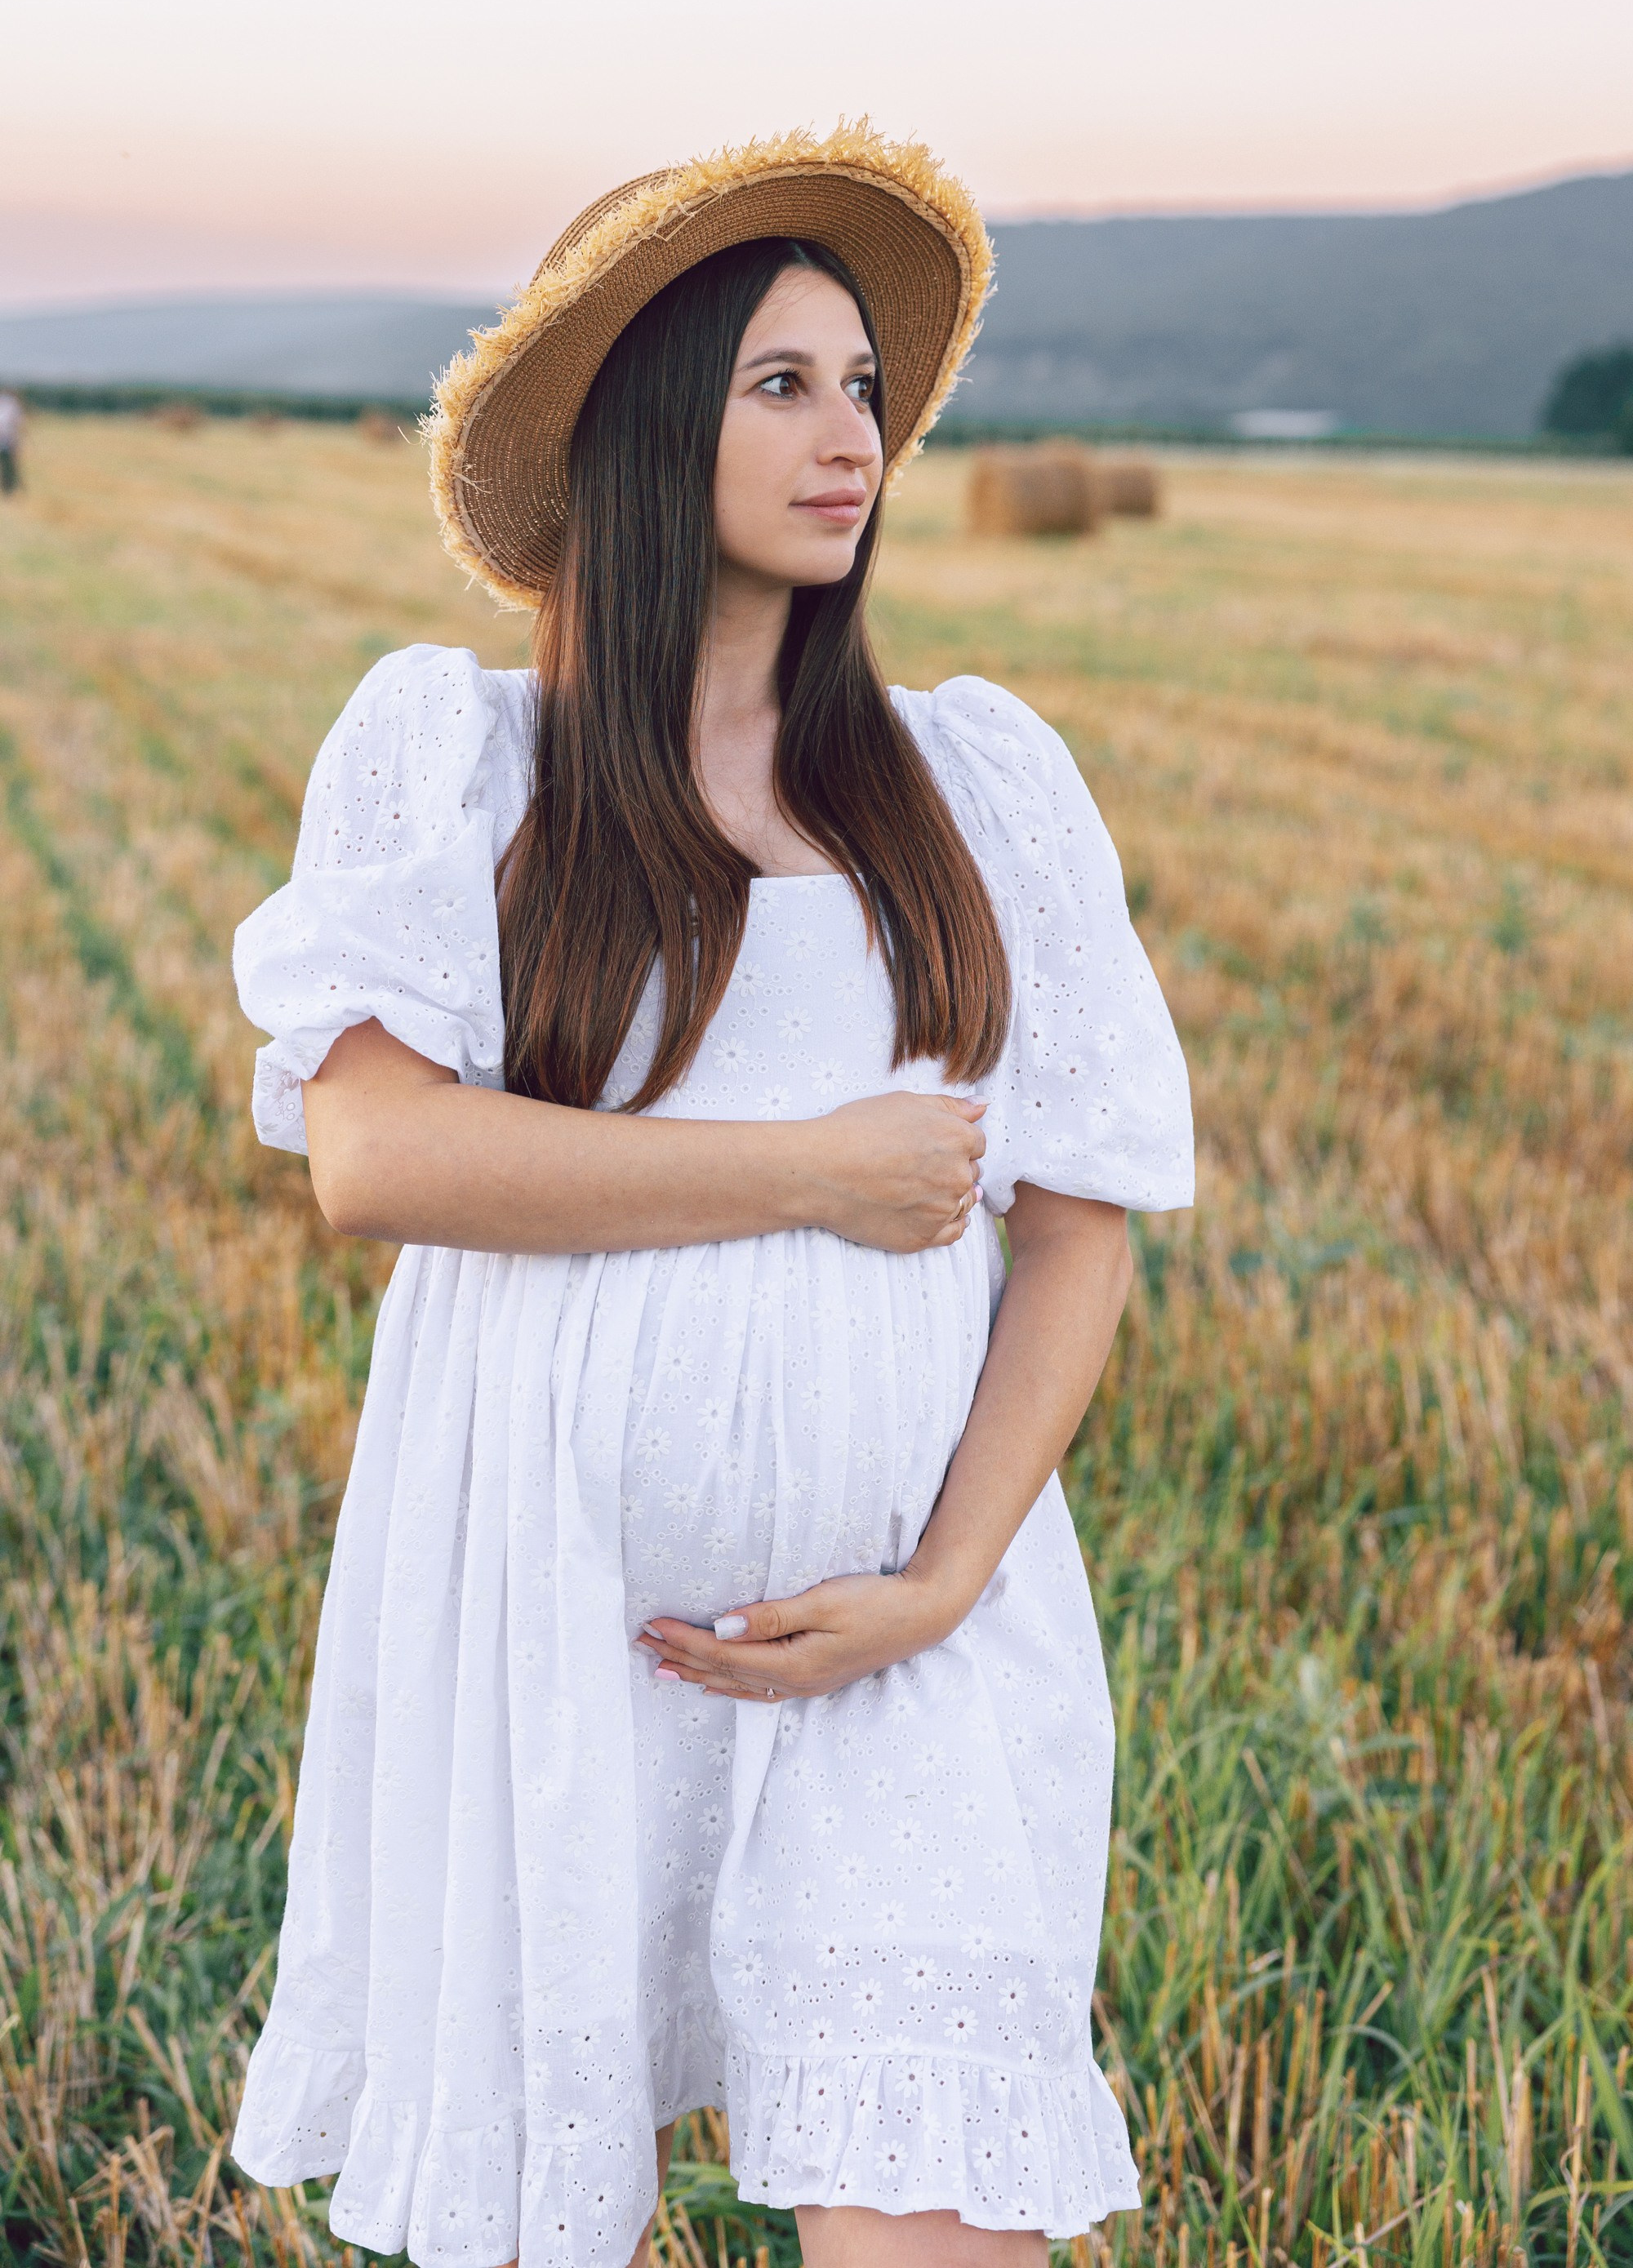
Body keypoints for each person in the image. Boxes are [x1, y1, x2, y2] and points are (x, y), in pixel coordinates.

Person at [229, 126, 1193, 2268]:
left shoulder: (970, 782)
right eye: (782, 383)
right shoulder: (464, 762)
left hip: (912, 1634)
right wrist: (811, 1172)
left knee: (931, 2222)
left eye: (864, 387)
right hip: (558, 1605)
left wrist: (946, 1579)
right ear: (651, 420)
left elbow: (1083, 1217)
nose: (851, 434)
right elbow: (376, 1157)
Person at [0, 389, 24, 494]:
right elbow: (18, 423)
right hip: (8, 439)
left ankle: (8, 487)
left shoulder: (6, 404)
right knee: (9, 465)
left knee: (7, 465)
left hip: (7, 439)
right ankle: (8, 487)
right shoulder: (13, 405)